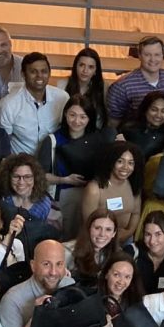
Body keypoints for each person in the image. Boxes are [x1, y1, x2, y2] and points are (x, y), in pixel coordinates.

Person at [39, 96, 116, 240]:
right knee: (65, 236)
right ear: (65, 114)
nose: (77, 121)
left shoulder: (98, 138)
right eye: (72, 115)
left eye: (83, 117)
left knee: (90, 235)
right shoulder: (53, 140)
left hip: (94, 194)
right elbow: (39, 175)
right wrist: (63, 179)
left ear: (90, 118)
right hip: (63, 195)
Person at [0, 52, 69, 156]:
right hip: (22, 165)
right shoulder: (9, 104)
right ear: (23, 74)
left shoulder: (62, 98)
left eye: (44, 71)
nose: (39, 76)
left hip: (54, 163)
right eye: (33, 72)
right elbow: (3, 143)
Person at [105, 36, 164, 128]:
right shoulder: (121, 86)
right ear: (139, 56)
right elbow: (113, 123)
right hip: (133, 138)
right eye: (147, 55)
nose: (153, 59)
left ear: (162, 55)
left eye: (157, 54)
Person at [81, 141, 144, 245]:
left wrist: (128, 233)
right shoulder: (94, 189)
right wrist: (110, 239)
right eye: (120, 161)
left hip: (126, 240)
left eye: (130, 163)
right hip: (99, 240)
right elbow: (88, 223)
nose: (125, 167)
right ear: (110, 162)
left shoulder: (134, 184)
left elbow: (136, 213)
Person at [0, 153, 57, 244]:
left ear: (35, 178)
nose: (21, 182)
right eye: (16, 176)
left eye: (27, 177)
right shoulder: (2, 200)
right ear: (8, 177)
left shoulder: (46, 203)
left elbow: (52, 237)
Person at [65, 209, 118, 288]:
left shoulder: (116, 254)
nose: (102, 234)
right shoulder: (68, 251)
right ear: (89, 228)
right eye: (97, 228)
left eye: (108, 229)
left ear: (114, 233)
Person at [59, 48, 108, 129]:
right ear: (75, 66)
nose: (85, 70)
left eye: (90, 67)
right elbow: (59, 116)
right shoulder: (63, 84)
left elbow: (104, 119)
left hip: (93, 134)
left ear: (96, 70)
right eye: (81, 65)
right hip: (68, 132)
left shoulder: (103, 88)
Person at [117, 91, 164, 160]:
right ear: (145, 109)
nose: (158, 115)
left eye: (163, 111)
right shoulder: (129, 128)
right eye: (154, 110)